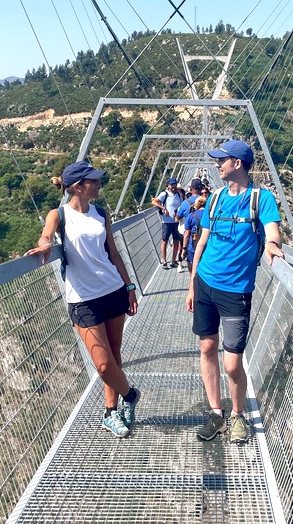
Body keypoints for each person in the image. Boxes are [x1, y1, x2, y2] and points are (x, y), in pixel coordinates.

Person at [26, 160, 141, 438]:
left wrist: (129, 287)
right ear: (78, 187)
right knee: (103, 365)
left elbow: (113, 253)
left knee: (114, 357)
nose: (99, 184)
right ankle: (131, 395)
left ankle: (110, 412)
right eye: (94, 181)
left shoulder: (101, 214)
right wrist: (44, 245)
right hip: (83, 300)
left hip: (113, 291)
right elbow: (46, 235)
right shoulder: (59, 215)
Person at [186, 140, 284, 444]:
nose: (217, 165)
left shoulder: (261, 198)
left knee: (231, 362)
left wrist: (272, 244)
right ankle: (216, 413)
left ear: (237, 164)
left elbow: (272, 230)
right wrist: (191, 284)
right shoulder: (214, 199)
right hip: (205, 283)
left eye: (222, 160)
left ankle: (238, 415)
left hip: (236, 290)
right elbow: (200, 244)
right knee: (206, 348)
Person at [152, 177, 183, 269]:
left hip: (176, 221)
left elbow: (181, 206)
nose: (173, 186)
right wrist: (163, 208)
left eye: (174, 184)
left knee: (176, 241)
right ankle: (164, 261)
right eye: (171, 184)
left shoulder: (179, 195)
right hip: (166, 222)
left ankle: (173, 261)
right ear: (168, 186)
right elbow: (154, 201)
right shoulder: (164, 194)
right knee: (164, 241)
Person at [175, 178, 204, 273]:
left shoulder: (185, 203)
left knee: (190, 258)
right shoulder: (206, 201)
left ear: (191, 188)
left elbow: (178, 217)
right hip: (204, 234)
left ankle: (192, 278)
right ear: (201, 189)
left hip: (190, 235)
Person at [181, 195, 207, 274]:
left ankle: (194, 282)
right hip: (207, 245)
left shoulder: (190, 216)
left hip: (193, 245)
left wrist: (184, 248)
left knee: (194, 266)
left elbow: (187, 234)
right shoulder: (210, 215)